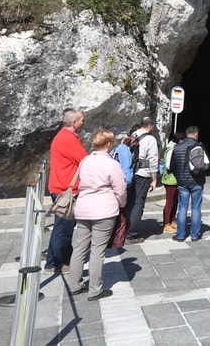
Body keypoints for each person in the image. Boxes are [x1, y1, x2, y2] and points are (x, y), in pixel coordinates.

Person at [67, 129, 127, 301]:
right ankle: (95, 289)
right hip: (104, 210)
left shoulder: (85, 161)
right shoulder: (112, 164)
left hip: (83, 208)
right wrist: (121, 204)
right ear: (108, 144)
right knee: (97, 250)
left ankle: (74, 285)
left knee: (79, 247)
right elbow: (120, 188)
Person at [45, 108, 88, 275]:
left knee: (62, 227)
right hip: (66, 190)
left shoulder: (65, 137)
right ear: (74, 122)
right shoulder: (68, 139)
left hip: (62, 188)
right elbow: (84, 160)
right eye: (82, 120)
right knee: (63, 228)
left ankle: (59, 260)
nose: (84, 122)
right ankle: (56, 263)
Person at [170, 126, 209, 242]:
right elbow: (205, 163)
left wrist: (178, 176)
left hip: (182, 182)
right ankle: (195, 235)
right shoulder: (199, 145)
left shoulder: (177, 147)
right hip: (197, 182)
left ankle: (180, 235)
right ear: (196, 135)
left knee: (182, 208)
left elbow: (172, 166)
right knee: (196, 208)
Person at [125, 117, 159, 244]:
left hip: (129, 173)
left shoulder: (131, 135)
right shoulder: (150, 139)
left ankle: (124, 229)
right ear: (150, 126)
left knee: (129, 202)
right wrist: (154, 179)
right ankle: (131, 234)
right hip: (143, 174)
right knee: (138, 203)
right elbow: (153, 160)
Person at [160, 132, 184, 233]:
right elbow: (169, 165)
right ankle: (166, 223)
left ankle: (172, 220)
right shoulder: (171, 149)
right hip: (170, 180)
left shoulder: (174, 148)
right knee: (169, 202)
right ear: (180, 140)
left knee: (175, 202)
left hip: (175, 180)